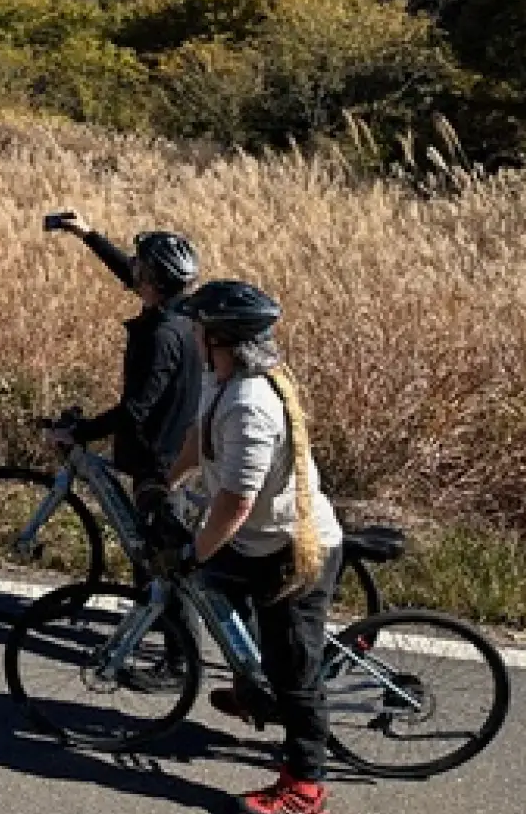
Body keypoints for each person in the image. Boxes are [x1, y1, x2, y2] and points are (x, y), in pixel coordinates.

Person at [167, 280, 344, 814]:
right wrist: (165, 480)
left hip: (290, 550)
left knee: (296, 675)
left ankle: (305, 785)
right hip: (256, 541)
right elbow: (200, 437)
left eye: (198, 326)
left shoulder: (250, 405)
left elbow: (234, 503)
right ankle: (253, 689)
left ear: (219, 337)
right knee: (222, 597)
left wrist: (195, 550)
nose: (191, 331)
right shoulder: (218, 376)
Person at [42, 213, 203, 498]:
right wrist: (87, 234)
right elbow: (129, 273)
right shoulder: (190, 315)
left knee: (154, 538)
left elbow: (135, 410)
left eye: (139, 267)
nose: (133, 270)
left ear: (149, 280)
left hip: (158, 458)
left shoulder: (160, 336)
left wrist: (80, 432)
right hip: (182, 444)